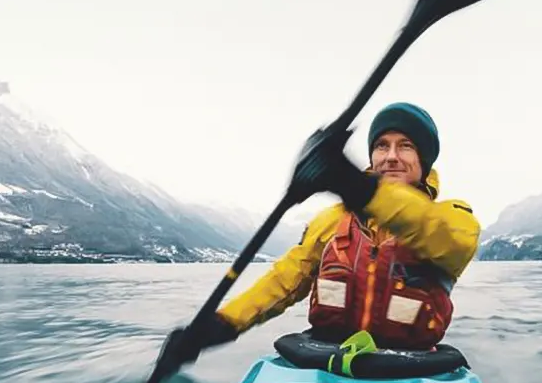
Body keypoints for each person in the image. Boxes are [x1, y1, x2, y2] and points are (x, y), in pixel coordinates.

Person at [162, 102, 480, 368]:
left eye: (406, 146)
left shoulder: (453, 218)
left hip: (413, 371)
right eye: (382, 146)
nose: (391, 156)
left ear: (423, 162)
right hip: (328, 366)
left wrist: (352, 184)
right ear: (372, 157)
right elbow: (282, 281)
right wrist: (222, 324)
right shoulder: (330, 222)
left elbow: (430, 230)